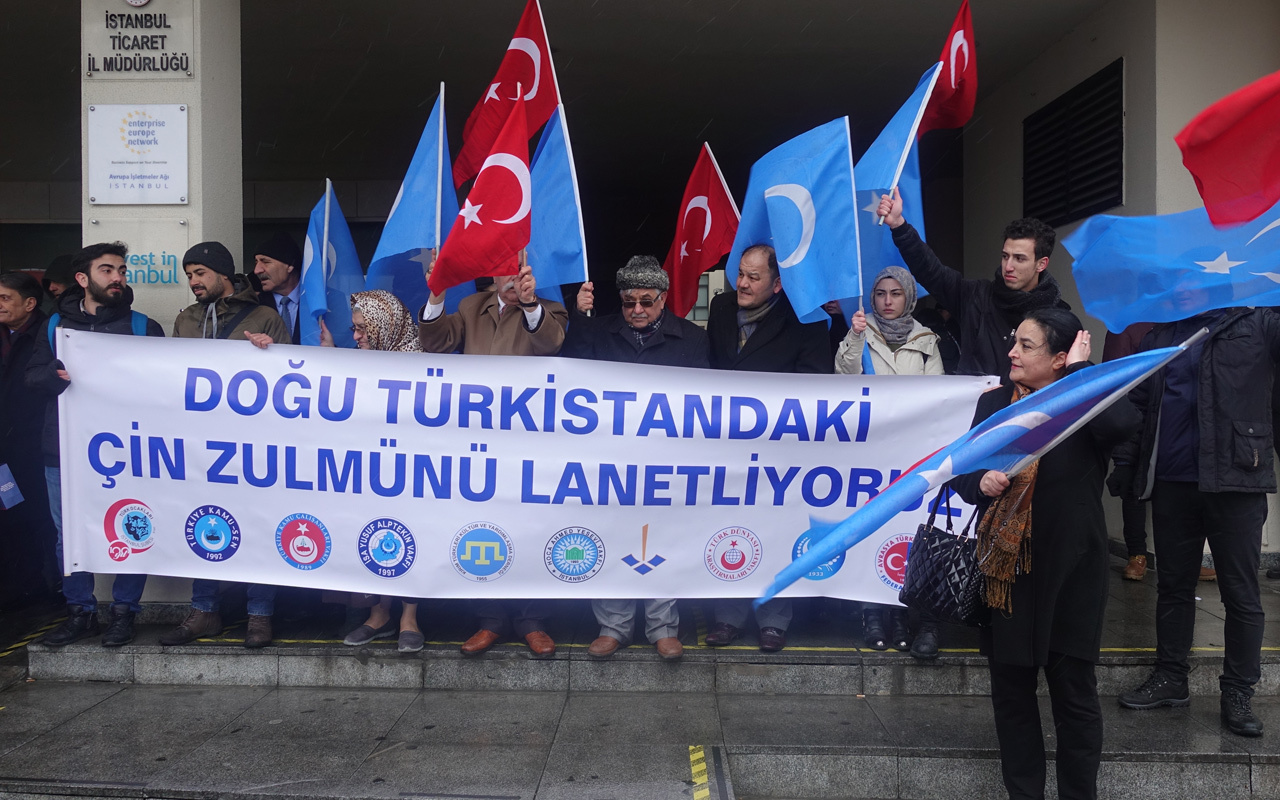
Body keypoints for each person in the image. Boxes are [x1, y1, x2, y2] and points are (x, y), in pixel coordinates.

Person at [950, 308, 1138, 800]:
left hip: (1072, 572)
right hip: (1007, 574)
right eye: (1014, 341)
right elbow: (962, 471)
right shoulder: (995, 403)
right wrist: (981, 481)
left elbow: (1123, 425)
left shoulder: (1085, 401)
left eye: (1027, 345)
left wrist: (1082, 373)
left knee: (1074, 697)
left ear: (1058, 358)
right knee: (1012, 698)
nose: (1011, 351)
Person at [1111, 307, 1280, 738]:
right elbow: (1139, 404)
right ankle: (1171, 678)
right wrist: (1128, 464)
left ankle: (1238, 692)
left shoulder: (1260, 323)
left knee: (1241, 594)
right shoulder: (1162, 333)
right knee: (1173, 587)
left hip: (1236, 479)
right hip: (1173, 479)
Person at [419, 256, 568, 658]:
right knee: (480, 527)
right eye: (505, 269)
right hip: (478, 449)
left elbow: (551, 344)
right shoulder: (472, 307)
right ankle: (490, 620)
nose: (512, 278)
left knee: (530, 531)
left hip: (528, 449)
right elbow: (434, 342)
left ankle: (532, 622)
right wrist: (437, 292)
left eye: (520, 270)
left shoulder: (549, 311)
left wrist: (531, 304)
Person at [564, 255, 710, 661]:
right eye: (629, 302)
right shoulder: (599, 331)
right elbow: (570, 372)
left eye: (646, 301)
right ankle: (613, 626)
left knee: (660, 541)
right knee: (611, 539)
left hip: (665, 463)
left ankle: (663, 627)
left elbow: (707, 407)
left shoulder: (693, 340)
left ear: (663, 299)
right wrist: (581, 315)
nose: (637, 311)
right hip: (609, 461)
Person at [26, 242, 165, 647]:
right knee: (67, 534)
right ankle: (80, 611)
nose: (118, 277)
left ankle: (124, 612)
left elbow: (164, 391)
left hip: (127, 454)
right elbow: (32, 379)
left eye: (122, 270)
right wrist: (53, 374)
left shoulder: (143, 327)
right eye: (107, 270)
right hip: (64, 451)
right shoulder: (55, 327)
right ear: (83, 279)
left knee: (134, 525)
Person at [160, 241, 290, 649]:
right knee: (204, 521)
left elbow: (290, 381)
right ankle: (204, 611)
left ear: (223, 275)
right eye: (189, 276)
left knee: (259, 524)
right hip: (202, 447)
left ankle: (260, 616)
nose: (193, 283)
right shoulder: (185, 320)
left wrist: (269, 355)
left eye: (199, 274)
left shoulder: (266, 317)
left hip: (255, 447)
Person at [704, 243, 832, 652]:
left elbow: (814, 388)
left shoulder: (806, 320)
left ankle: (774, 619)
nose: (741, 283)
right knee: (728, 528)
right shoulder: (722, 309)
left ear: (778, 284)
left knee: (777, 531)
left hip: (780, 454)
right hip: (725, 447)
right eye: (740, 273)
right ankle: (727, 615)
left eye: (753, 277)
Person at [834, 265, 943, 658]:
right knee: (870, 530)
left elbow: (939, 398)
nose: (887, 301)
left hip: (911, 455)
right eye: (880, 293)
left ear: (909, 297)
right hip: (871, 454)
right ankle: (871, 614)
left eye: (895, 294)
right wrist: (855, 335)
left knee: (903, 534)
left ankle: (898, 613)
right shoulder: (862, 333)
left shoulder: (928, 340)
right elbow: (842, 376)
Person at [877, 187, 1070, 381]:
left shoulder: (1058, 318)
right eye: (1005, 256)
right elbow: (931, 271)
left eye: (1019, 259)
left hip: (1026, 410)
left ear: (1041, 264)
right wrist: (899, 226)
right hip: (975, 408)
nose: (1008, 266)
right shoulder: (976, 296)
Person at [326, 290, 427, 653]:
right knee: (373, 533)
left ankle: (409, 617)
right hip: (369, 469)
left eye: (362, 329)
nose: (356, 337)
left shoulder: (421, 364)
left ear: (385, 325)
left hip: (410, 469)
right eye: (353, 330)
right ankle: (378, 613)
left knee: (408, 534)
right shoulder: (360, 362)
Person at [0, 272, 57, 609]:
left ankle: (45, 589)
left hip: (36, 446)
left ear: (30, 303)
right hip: (5, 448)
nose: (0, 305)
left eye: (5, 298)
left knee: (40, 520)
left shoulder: (49, 335)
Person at [1102, 323, 1155, 581]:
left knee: (1180, 490)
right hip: (1137, 415)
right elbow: (1116, 381)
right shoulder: (1126, 327)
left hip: (1174, 419)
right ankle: (1137, 554)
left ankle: (1179, 557)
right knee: (1133, 484)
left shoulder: (1182, 322)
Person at [253, 232, 303, 344]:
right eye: (256, 262)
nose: (257, 270)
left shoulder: (320, 303)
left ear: (290, 265)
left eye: (265, 262)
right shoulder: (254, 305)